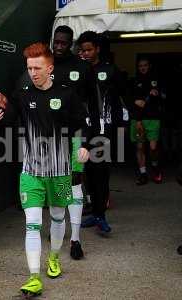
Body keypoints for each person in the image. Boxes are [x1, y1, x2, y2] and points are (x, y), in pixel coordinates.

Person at [0, 42, 89, 296]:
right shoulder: (22, 95)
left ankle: (53, 257)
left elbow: (82, 123)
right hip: (31, 171)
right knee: (32, 224)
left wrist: (84, 145)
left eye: (37, 67)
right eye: (29, 67)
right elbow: (8, 121)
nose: (33, 72)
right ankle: (34, 277)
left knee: (57, 217)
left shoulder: (67, 94)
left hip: (61, 170)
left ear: (50, 68)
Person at [51, 25, 99, 260]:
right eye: (56, 42)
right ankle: (59, 230)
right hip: (49, 136)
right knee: (59, 182)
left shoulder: (82, 68)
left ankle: (76, 239)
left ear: (71, 44)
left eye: (63, 43)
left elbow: (94, 102)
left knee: (75, 180)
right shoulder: (46, 65)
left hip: (77, 132)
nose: (59, 47)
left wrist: (93, 135)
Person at [78, 31, 125, 234]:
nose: (85, 53)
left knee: (101, 175)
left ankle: (101, 215)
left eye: (89, 49)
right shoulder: (78, 70)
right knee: (87, 173)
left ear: (97, 49)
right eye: (82, 50)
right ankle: (93, 212)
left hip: (104, 133)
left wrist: (116, 128)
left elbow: (119, 100)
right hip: (83, 131)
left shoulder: (110, 70)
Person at [130, 57, 163, 185]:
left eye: (145, 65)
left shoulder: (157, 80)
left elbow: (165, 96)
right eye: (140, 66)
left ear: (149, 66)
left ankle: (155, 167)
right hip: (138, 120)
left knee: (153, 147)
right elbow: (128, 99)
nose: (143, 67)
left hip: (153, 118)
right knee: (140, 146)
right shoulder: (134, 81)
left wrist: (158, 94)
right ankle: (143, 173)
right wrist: (134, 101)